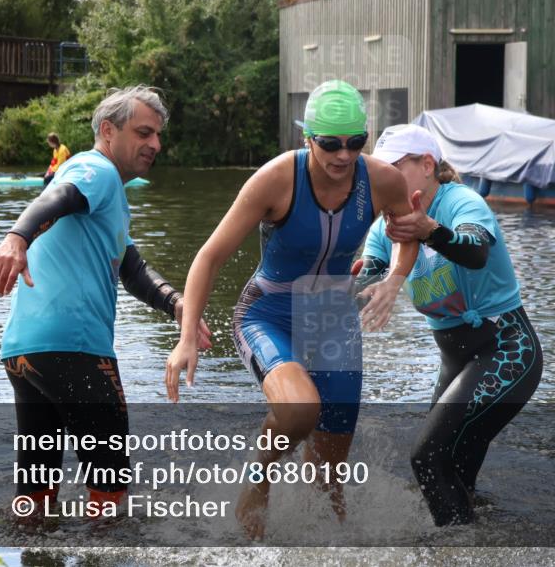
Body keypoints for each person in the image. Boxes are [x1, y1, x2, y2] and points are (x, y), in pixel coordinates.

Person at [164, 80, 419, 539]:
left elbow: (408, 233)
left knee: (329, 485)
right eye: (330, 144)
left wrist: (395, 278)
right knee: (300, 410)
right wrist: (186, 339)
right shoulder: (277, 178)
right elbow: (209, 257)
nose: (344, 155)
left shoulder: (383, 179)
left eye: (355, 142)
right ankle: (257, 479)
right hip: (268, 314)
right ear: (308, 139)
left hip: (334, 321)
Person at [0, 86, 211, 521]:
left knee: (35, 490)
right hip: (75, 348)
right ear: (108, 131)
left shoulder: (107, 197)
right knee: (110, 489)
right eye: (144, 133)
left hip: (24, 352)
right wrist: (16, 237)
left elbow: (131, 266)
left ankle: (32, 545)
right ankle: (108, 547)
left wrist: (176, 303)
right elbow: (58, 198)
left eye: (158, 135)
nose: (155, 144)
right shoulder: (97, 170)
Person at [358, 124, 543, 527]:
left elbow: (475, 252)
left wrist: (431, 231)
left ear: (427, 165)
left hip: (506, 350)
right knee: (452, 468)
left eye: (394, 169)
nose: (384, 180)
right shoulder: (384, 226)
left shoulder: (462, 202)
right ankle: (480, 538)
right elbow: (368, 275)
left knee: (427, 457)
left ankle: (456, 551)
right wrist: (352, 283)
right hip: (455, 361)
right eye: (379, 172)